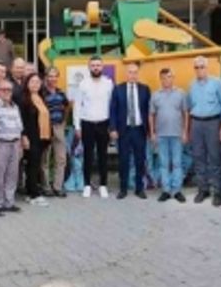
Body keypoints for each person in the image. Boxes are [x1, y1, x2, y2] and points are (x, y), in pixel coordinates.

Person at [186, 55, 221, 206]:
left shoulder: (217, 83)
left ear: (207, 67)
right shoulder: (192, 85)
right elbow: (190, 107)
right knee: (198, 157)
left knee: (215, 158)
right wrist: (189, 129)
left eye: (202, 66)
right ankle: (203, 189)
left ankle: (217, 191)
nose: (199, 70)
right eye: (196, 67)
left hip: (213, 122)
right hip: (197, 123)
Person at [110, 63, 152, 200]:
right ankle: (123, 189)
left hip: (140, 130)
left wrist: (150, 131)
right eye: (130, 72)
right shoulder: (118, 89)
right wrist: (113, 128)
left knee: (140, 160)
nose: (133, 75)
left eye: (135, 72)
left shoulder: (145, 89)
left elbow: (148, 112)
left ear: (138, 73)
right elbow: (113, 111)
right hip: (124, 130)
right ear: (126, 73)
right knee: (123, 160)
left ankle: (139, 188)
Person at [75, 56, 114, 199]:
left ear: (102, 67)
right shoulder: (83, 84)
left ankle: (103, 185)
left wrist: (112, 126)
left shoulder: (108, 83)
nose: (96, 67)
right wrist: (77, 126)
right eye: (93, 65)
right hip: (87, 123)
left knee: (103, 155)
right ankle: (87, 185)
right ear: (89, 67)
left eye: (98, 65)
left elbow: (112, 106)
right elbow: (77, 106)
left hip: (103, 123)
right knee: (88, 155)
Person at [150, 67, 187, 202]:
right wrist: (153, 132)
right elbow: (151, 115)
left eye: (169, 77)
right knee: (163, 163)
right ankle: (166, 190)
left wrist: (185, 132)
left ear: (173, 78)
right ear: (160, 79)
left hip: (177, 134)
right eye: (164, 78)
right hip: (161, 135)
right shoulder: (155, 95)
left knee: (177, 163)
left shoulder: (181, 93)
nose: (166, 80)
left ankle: (177, 190)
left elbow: (185, 113)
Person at [0, 80, 24, 215]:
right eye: (3, 89)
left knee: (12, 174)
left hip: (15, 143)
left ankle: (9, 202)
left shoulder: (15, 107)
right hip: (1, 144)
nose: (6, 92)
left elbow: (20, 127)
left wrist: (20, 144)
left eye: (9, 90)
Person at [18, 73, 51, 207]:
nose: (35, 84)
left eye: (38, 82)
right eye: (32, 82)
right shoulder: (24, 100)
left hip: (42, 137)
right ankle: (34, 195)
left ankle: (29, 191)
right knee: (32, 166)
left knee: (35, 165)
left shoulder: (41, 98)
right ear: (27, 83)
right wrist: (24, 136)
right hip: (31, 138)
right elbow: (22, 120)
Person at [42, 68, 70, 197]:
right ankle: (46, 186)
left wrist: (64, 122)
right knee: (45, 159)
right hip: (45, 128)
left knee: (61, 158)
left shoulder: (61, 93)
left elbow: (67, 107)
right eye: (50, 76)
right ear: (46, 77)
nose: (52, 79)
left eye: (55, 76)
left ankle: (58, 186)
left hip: (58, 127)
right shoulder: (41, 93)